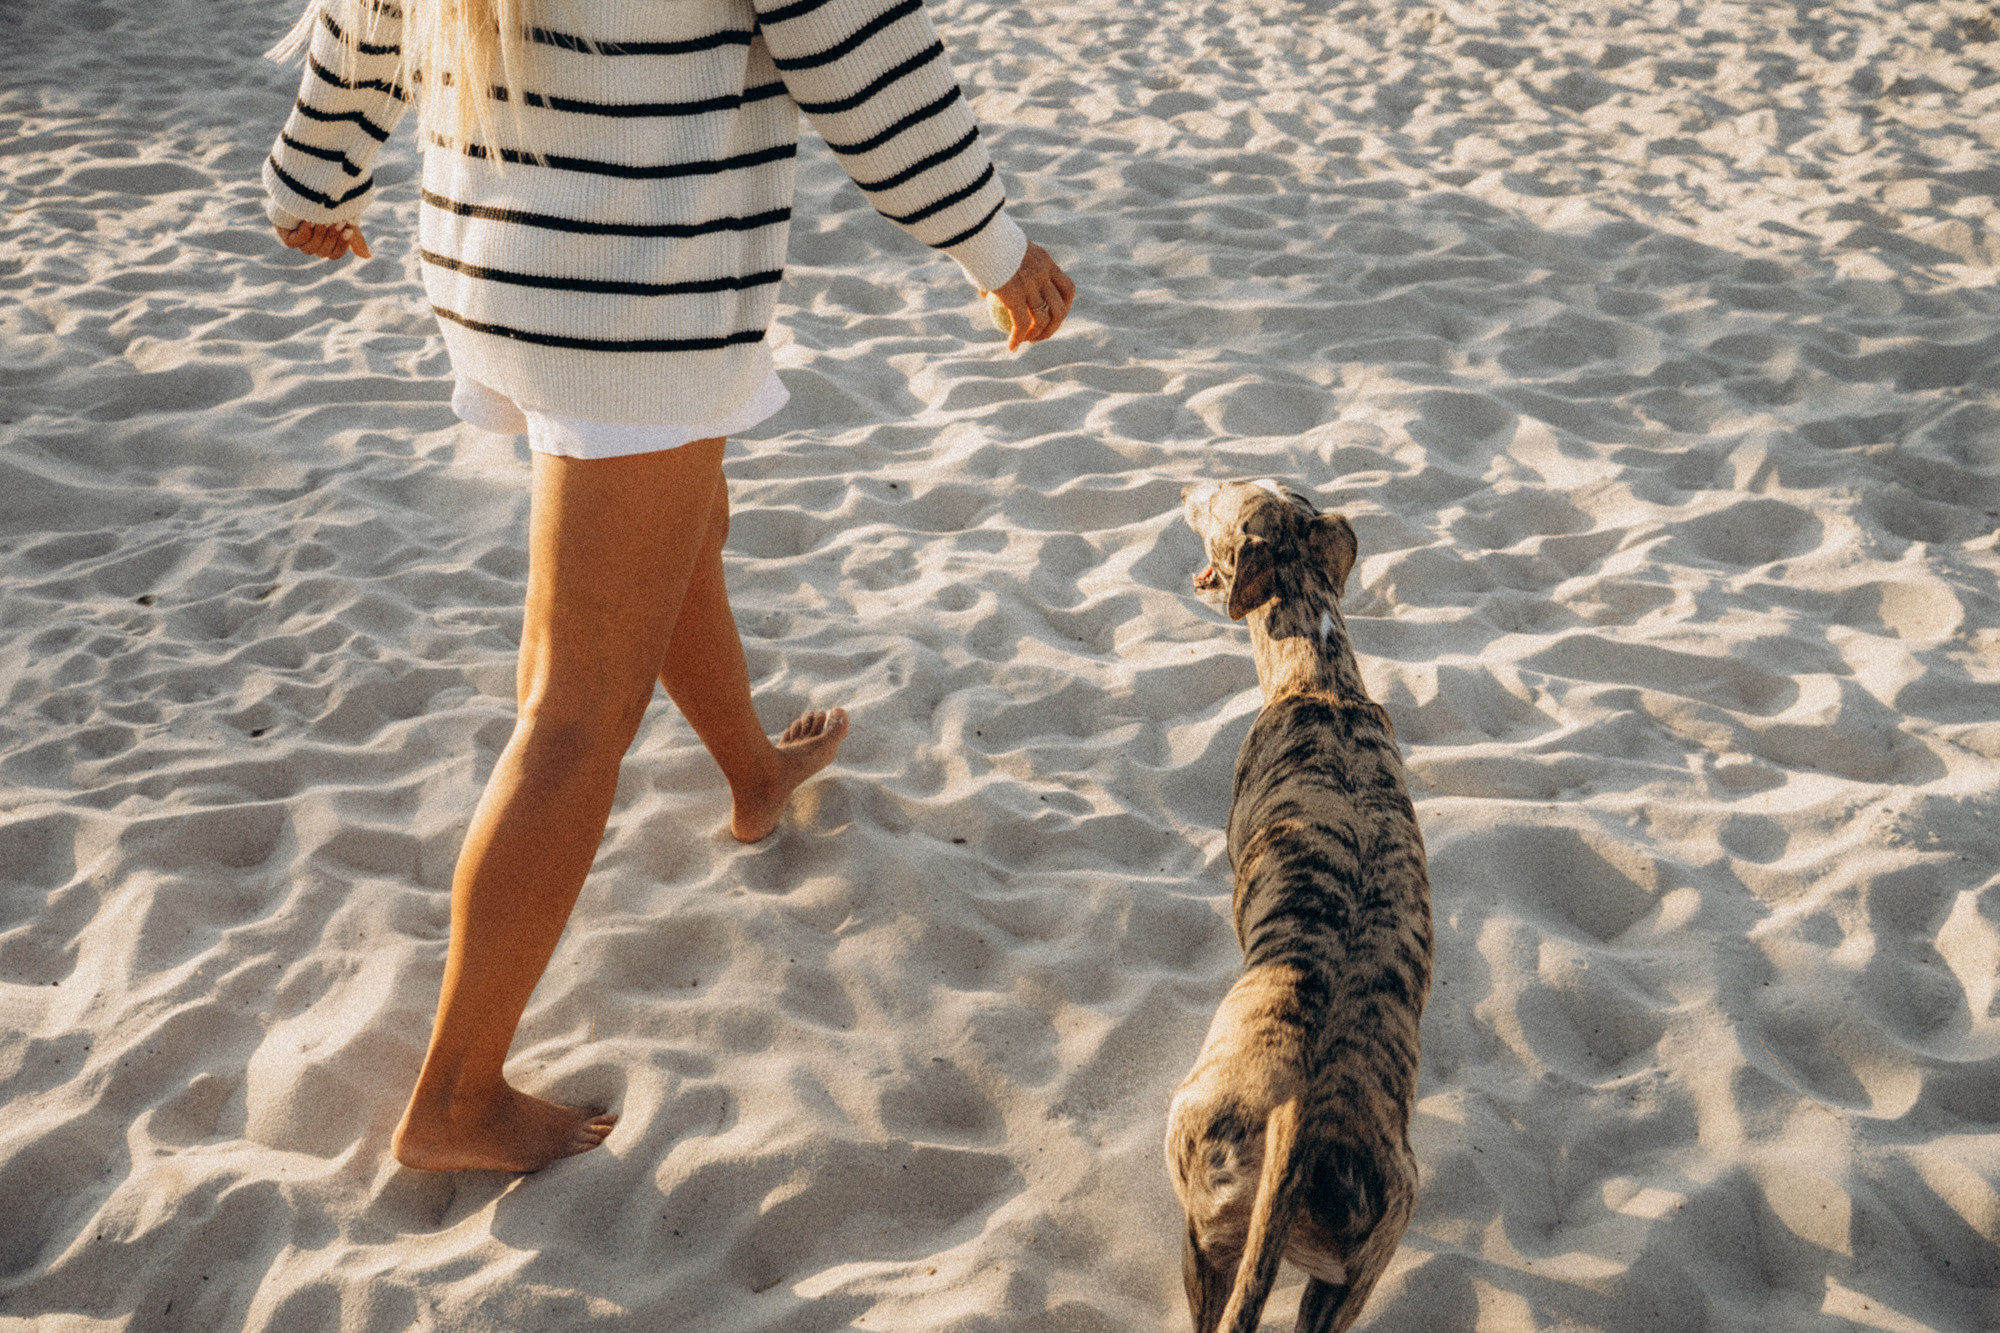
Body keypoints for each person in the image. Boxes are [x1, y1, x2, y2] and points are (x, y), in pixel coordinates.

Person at [262, 0, 1075, 1173]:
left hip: (507, 258)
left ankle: (753, 774)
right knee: (574, 707)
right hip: (633, 292)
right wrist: (995, 249)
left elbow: (365, 17)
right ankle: (456, 1095)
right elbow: (862, 61)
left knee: (686, 528)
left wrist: (317, 176)